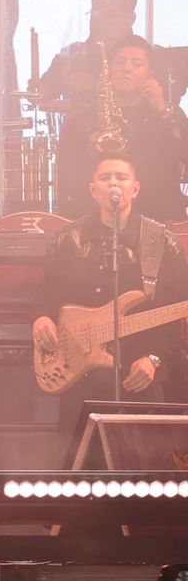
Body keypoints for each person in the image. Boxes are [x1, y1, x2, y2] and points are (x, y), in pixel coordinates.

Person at [33, 153, 188, 468]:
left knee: (146, 470)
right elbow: (45, 295)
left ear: (135, 188)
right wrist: (41, 319)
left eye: (121, 177)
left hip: (140, 370)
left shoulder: (161, 241)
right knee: (78, 468)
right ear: (93, 190)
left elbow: (177, 313)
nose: (113, 184)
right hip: (80, 368)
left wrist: (154, 358)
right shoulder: (67, 240)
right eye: (105, 178)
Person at [55, 36, 188, 222]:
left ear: (150, 74)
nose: (127, 68)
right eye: (120, 62)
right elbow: (68, 182)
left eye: (137, 64)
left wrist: (161, 108)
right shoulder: (80, 121)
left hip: (160, 221)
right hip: (98, 224)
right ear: (108, 69)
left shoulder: (168, 115)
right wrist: (89, 153)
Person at [36, 0, 138, 107]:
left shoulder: (148, 58)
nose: (97, 20)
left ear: (130, 19)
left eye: (107, 15)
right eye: (94, 13)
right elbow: (44, 91)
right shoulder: (72, 57)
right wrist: (38, 91)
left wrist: (95, 86)